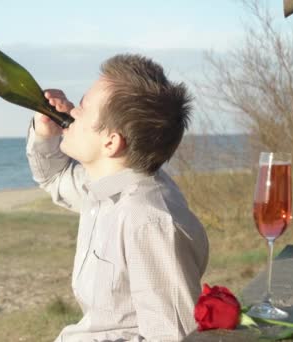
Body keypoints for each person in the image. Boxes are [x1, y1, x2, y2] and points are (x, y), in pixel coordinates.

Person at [25, 54, 209, 342]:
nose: (71, 111)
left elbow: (174, 336)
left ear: (111, 142)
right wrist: (44, 135)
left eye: (83, 107)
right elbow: (54, 180)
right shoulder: (104, 188)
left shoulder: (149, 221)